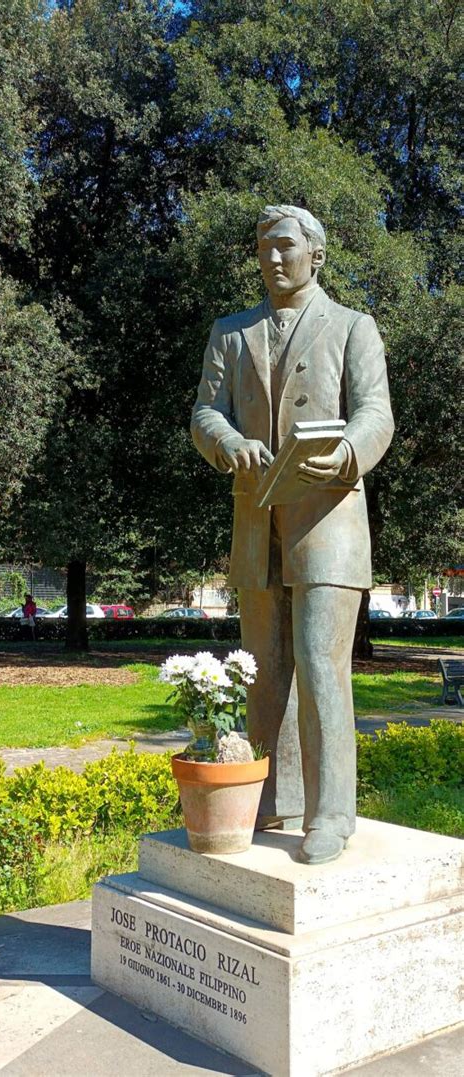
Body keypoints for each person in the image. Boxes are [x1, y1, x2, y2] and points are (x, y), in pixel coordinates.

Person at [191, 204, 394, 864]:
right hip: (257, 522)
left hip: (329, 522)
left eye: (284, 246)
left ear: (317, 255)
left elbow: (376, 413)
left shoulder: (352, 327)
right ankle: (266, 798)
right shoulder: (231, 332)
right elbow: (204, 414)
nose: (272, 258)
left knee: (320, 663)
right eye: (263, 247)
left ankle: (331, 813)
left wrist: (346, 453)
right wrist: (229, 443)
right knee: (264, 670)